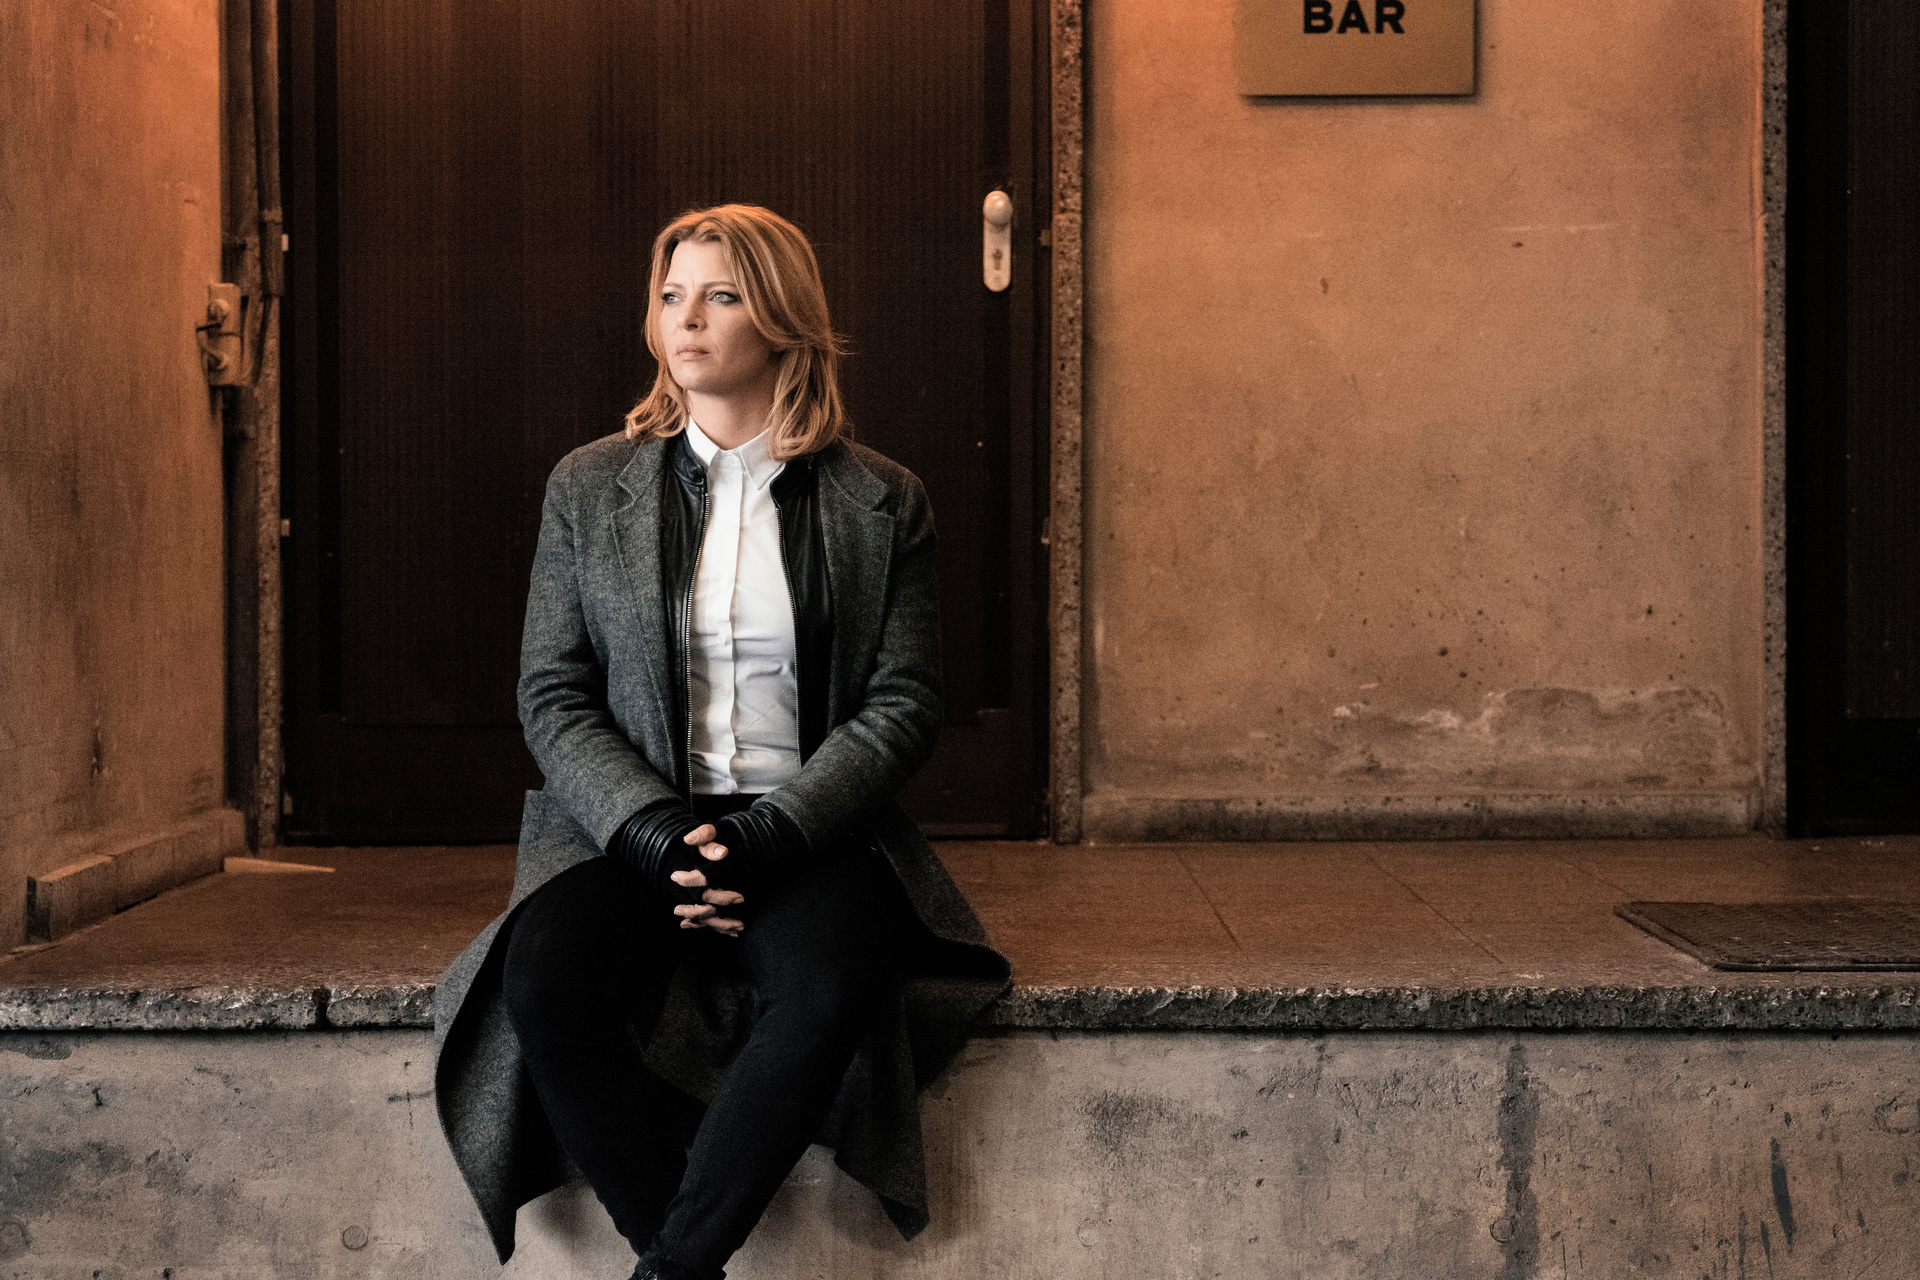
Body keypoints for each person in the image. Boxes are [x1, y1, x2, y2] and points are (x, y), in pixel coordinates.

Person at [432, 204, 1011, 1280]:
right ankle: (683, 1260)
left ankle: (671, 1269)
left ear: (782, 317)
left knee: (830, 985)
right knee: (545, 975)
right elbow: (552, 692)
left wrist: (766, 837)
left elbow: (903, 703)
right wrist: (656, 835)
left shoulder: (882, 500)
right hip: (629, 826)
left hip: (809, 830)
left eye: (721, 294)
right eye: (671, 295)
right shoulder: (589, 486)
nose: (686, 318)